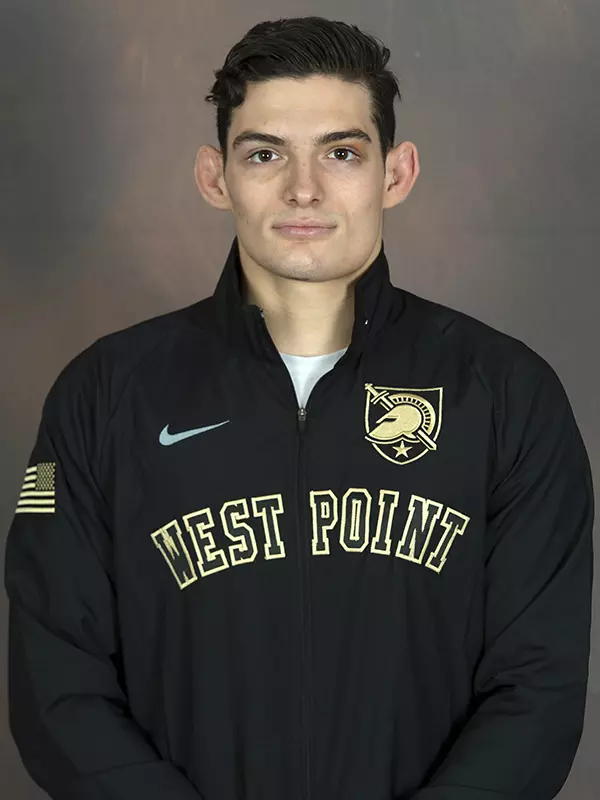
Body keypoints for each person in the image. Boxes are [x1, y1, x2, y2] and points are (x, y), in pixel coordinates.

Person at [4, 15, 594, 800]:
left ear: (397, 173)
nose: (304, 188)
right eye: (264, 153)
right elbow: (56, 686)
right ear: (216, 176)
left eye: (342, 152)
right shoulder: (107, 393)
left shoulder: (509, 395)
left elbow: (538, 689)